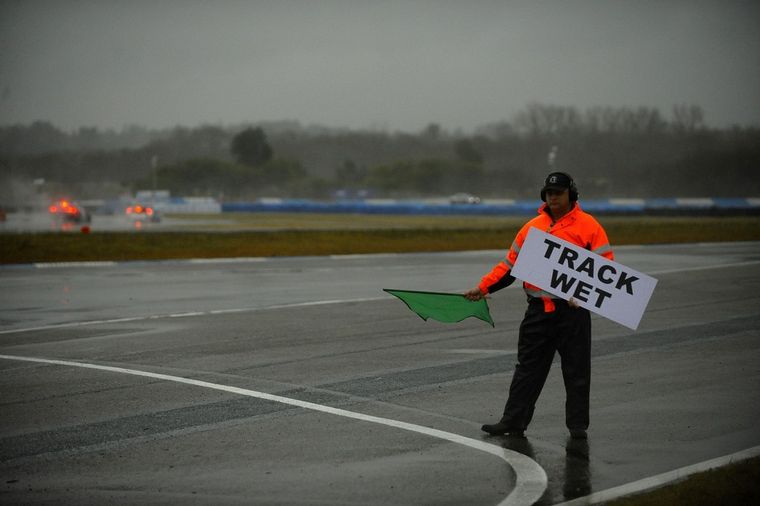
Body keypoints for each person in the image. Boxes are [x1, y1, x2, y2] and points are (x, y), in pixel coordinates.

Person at [464, 171, 614, 439]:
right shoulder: (531, 227)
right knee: (527, 369)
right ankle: (513, 421)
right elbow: (509, 267)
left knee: (577, 370)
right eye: (549, 193)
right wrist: (484, 286)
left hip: (573, 314)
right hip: (538, 311)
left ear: (571, 194)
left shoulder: (590, 226)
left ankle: (577, 427)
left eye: (558, 193)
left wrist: (585, 296)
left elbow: (606, 272)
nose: (553, 197)